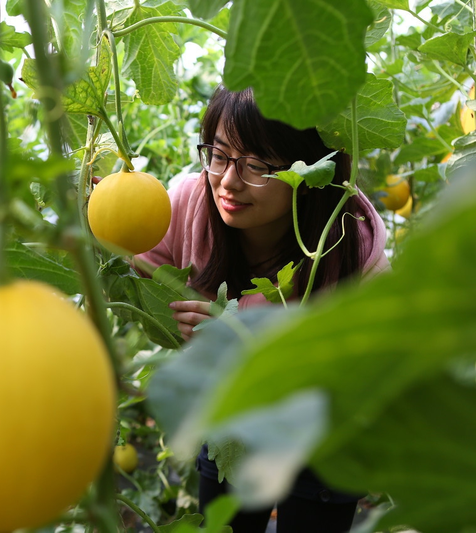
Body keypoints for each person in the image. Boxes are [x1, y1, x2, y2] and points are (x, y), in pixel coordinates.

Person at [134, 86, 390, 532]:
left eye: (256, 165)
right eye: (218, 154)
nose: (228, 182)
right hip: (232, 421)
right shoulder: (188, 204)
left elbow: (375, 368)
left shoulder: (353, 241)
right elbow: (139, 277)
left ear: (311, 172)